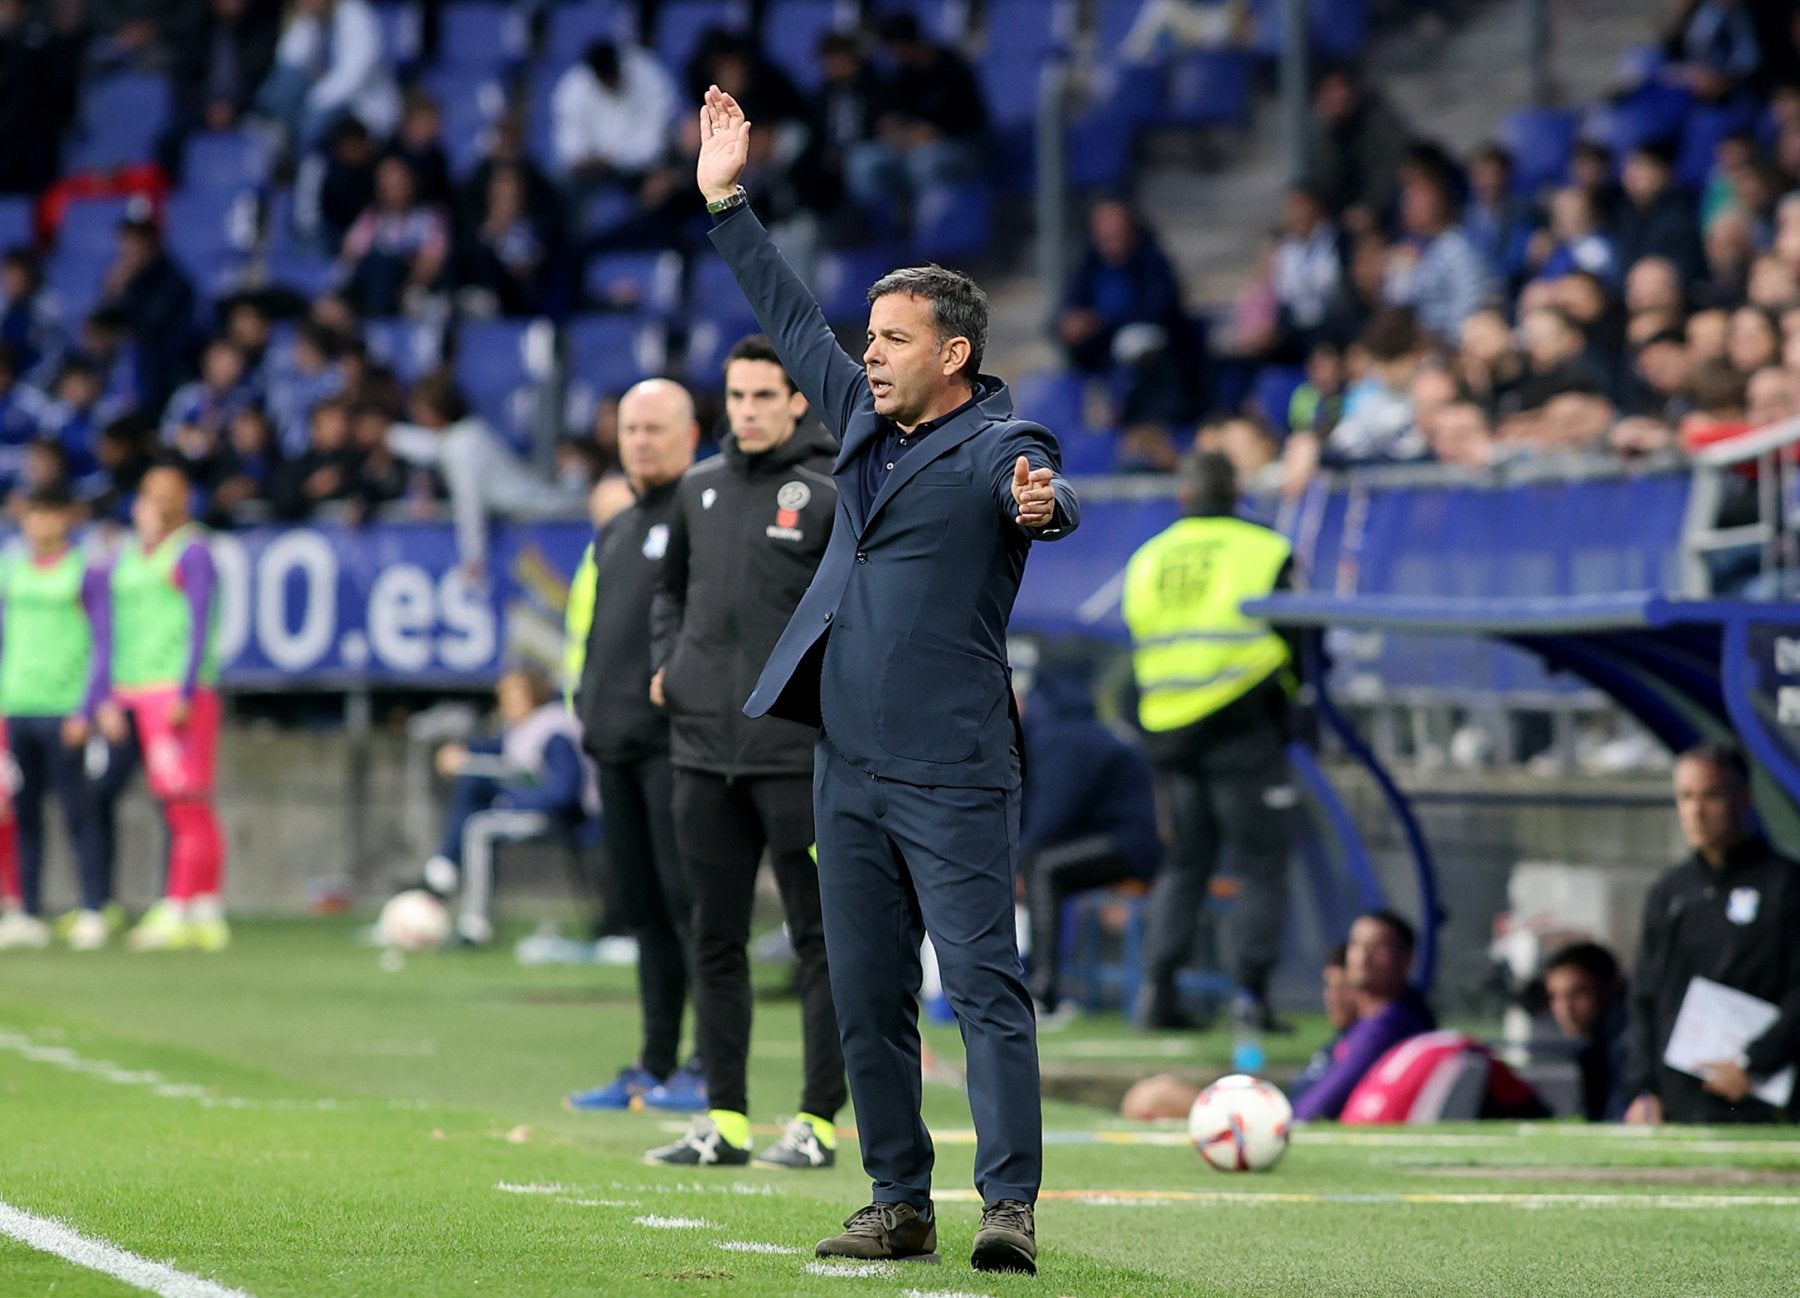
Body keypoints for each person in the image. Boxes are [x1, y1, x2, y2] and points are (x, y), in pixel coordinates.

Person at [698, 85, 1079, 1275]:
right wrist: (726, 200)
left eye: (893, 338)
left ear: (954, 354)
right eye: (868, 336)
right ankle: (897, 1199)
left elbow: (1044, 488)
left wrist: (1045, 505)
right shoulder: (861, 421)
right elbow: (786, 311)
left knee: (983, 984)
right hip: (847, 763)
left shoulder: (999, 446)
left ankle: (1008, 1204)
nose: (868, 351)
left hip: (952, 766)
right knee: (866, 991)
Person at [641, 335, 845, 1170]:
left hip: (794, 756)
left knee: (821, 941)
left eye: (765, 396)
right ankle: (723, 1120)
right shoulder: (698, 489)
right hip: (702, 754)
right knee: (714, 939)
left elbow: (852, 611)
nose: (749, 411)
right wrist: (670, 664)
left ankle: (817, 1122)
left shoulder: (829, 492)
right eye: (737, 396)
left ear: (797, 402)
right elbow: (670, 594)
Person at [563, 379, 704, 1114]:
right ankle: (653, 1061)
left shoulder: (704, 513)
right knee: (645, 914)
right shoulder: (617, 528)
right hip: (614, 748)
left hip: (674, 747)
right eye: (631, 429)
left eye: (655, 429)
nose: (640, 441)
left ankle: (709, 1064)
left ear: (690, 436)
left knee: (693, 908)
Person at [1125, 451, 1297, 1034]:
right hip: (1242, 723)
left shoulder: (1149, 557)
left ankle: (1156, 993)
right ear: (1237, 492)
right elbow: (1300, 634)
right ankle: (1251, 996)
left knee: (1185, 863)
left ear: (1185, 495)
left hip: (1169, 730)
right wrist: (1295, 705)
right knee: (1260, 864)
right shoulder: (1264, 549)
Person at [91, 457, 230, 953]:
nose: (151, 505)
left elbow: (199, 623)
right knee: (182, 801)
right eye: (148, 495)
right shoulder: (127, 555)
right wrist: (106, 693)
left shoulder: (192, 551)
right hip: (134, 689)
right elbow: (108, 626)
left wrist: (186, 689)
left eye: (162, 495)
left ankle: (179, 905)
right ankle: (204, 909)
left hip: (174, 691)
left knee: (186, 801)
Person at [1624, 743, 1800, 1125]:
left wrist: (1754, 1063)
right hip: (1675, 1104)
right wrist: (1643, 1087)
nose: (1696, 811)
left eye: (1711, 796)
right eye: (1686, 797)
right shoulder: (1669, 893)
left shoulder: (1785, 886)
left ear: (1745, 798)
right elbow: (1644, 996)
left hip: (1759, 1101)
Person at [0, 484, 111, 951]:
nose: (41, 523)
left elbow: (104, 641)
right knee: (23, 814)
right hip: (18, 705)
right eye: (34, 514)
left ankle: (93, 908)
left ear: (67, 518)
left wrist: (87, 707)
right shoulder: (12, 568)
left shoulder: (84, 570)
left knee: (77, 811)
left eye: (50, 513)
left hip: (65, 708)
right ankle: (28, 911)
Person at [1018, 666, 1162, 1018]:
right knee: (1041, 867)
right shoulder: (1074, 731)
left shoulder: (1064, 738)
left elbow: (1052, 813)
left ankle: (1043, 990)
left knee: (1043, 869)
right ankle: (1035, 984)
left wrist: (1015, 862)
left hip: (1128, 844)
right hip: (1114, 840)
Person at [420, 667, 595, 946]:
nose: (504, 703)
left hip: (561, 818)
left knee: (480, 827)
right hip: (533, 810)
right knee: (473, 786)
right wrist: (463, 754)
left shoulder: (553, 731)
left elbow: (563, 794)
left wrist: (512, 800)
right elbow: (494, 752)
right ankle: (444, 871)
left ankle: (474, 924)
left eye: (512, 696)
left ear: (532, 696)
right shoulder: (520, 729)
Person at [1292, 910, 1436, 1121]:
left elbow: (1316, 1109)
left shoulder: (1391, 1025)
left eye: (1377, 947)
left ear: (1406, 959)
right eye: (1356, 944)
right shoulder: (1365, 1023)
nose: (1363, 957)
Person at [1543, 940, 1629, 1122]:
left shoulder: (1627, 1046)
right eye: (1554, 996)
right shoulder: (1595, 1047)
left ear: (1609, 989)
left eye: (1578, 993)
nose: (1565, 1009)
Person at [1288, 943, 1359, 1106]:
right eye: (1329, 986)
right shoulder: (1335, 1044)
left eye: (1344, 987)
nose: (1334, 998)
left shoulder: (1367, 1047)